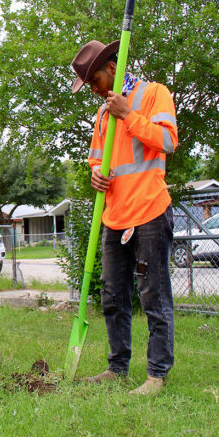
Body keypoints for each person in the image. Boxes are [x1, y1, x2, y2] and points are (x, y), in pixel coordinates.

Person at [71, 39, 178, 396]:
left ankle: (156, 376)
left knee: (154, 296)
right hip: (114, 217)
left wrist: (127, 115)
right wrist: (95, 173)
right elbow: (96, 157)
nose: (94, 90)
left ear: (112, 69)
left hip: (149, 211)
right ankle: (117, 369)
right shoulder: (102, 114)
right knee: (113, 297)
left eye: (95, 81)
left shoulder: (153, 94)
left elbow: (166, 141)